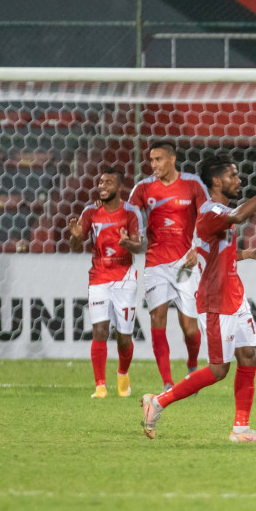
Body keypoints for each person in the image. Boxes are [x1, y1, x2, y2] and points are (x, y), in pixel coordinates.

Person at [142, 157, 256, 442]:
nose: (239, 180)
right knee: (219, 369)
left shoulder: (221, 212)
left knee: (249, 356)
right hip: (216, 302)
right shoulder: (210, 212)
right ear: (217, 181)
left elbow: (221, 252)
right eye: (233, 175)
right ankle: (157, 402)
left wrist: (248, 254)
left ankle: (241, 429)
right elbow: (239, 217)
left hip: (235, 295)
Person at [128, 141, 208, 390]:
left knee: (190, 328)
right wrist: (133, 235)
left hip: (185, 263)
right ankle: (167, 383)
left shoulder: (193, 184)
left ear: (172, 159)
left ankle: (192, 365)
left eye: (158, 160)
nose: (153, 165)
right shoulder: (143, 187)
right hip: (155, 264)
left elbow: (207, 218)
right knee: (157, 317)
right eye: (151, 160)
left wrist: (197, 247)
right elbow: (129, 213)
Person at [68, 168, 145, 399]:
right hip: (99, 276)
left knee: (124, 337)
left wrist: (127, 243)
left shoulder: (131, 212)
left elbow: (139, 247)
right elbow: (75, 245)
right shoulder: (90, 211)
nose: (102, 186)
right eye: (100, 182)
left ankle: (122, 373)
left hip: (124, 278)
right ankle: (100, 386)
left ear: (119, 187)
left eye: (108, 183)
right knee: (100, 329)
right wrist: (74, 235)